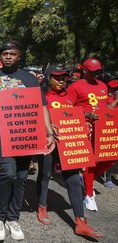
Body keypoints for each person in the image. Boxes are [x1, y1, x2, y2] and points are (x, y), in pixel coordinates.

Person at [0, 41, 55, 241]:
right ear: (0, 57)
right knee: (8, 172)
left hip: (24, 132)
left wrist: (49, 132)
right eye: (5, 53)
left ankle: (12, 217)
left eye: (12, 53)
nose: (8, 56)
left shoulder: (30, 79)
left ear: (19, 56)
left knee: (22, 175)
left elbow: (42, 107)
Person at [36, 66, 102, 238]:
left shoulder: (69, 96)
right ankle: (42, 206)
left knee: (73, 180)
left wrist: (84, 121)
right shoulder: (41, 96)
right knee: (44, 175)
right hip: (48, 142)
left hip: (68, 144)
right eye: (57, 77)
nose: (61, 80)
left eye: (64, 77)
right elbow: (35, 117)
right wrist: (48, 128)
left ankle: (80, 221)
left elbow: (73, 114)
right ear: (49, 78)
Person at [66, 58, 118, 212]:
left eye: (99, 71)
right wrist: (86, 114)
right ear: (85, 71)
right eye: (93, 71)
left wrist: (116, 99)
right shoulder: (75, 86)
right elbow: (67, 108)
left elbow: (108, 106)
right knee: (91, 162)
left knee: (111, 159)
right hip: (85, 127)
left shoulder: (102, 85)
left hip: (103, 128)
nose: (97, 73)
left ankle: (87, 179)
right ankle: (89, 194)